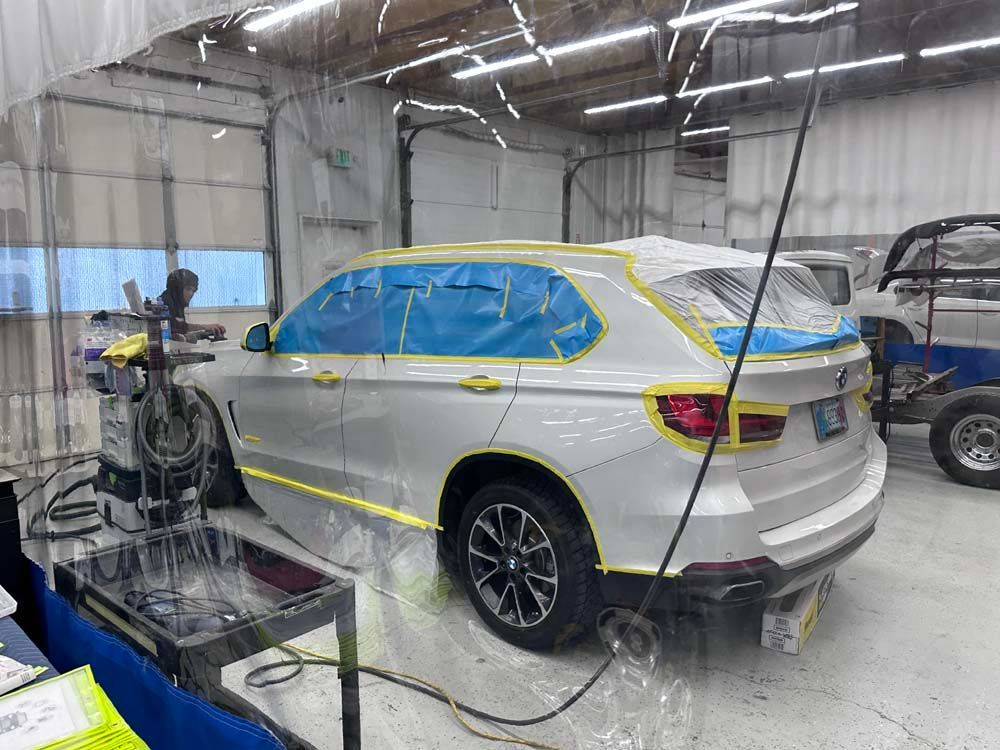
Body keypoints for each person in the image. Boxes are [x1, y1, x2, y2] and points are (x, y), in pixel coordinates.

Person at [160, 268, 225, 339]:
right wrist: (204, 328)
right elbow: (174, 331)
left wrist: (205, 328)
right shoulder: (163, 305)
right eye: (188, 289)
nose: (191, 294)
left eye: (193, 291)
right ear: (176, 289)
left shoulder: (176, 304)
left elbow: (181, 328)